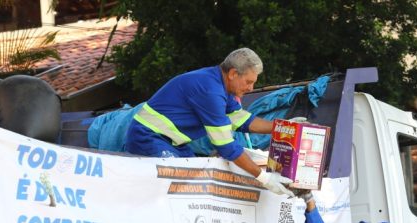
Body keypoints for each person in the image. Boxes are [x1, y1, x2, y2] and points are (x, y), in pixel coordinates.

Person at [125, 47, 293, 197]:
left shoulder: (220, 86)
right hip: (148, 137)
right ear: (233, 73)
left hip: (171, 142)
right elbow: (225, 145)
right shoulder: (210, 91)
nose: (251, 88)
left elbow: (243, 121)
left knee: (196, 185)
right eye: (248, 82)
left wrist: (282, 128)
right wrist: (264, 178)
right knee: (181, 190)